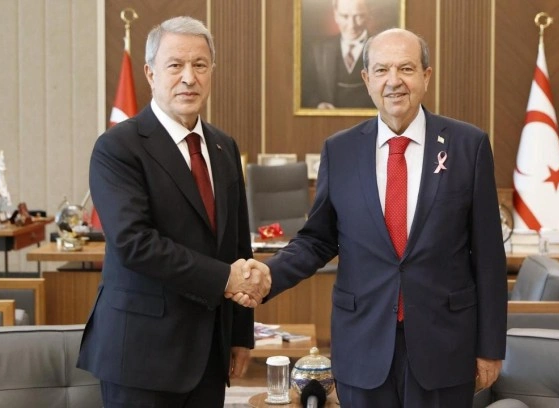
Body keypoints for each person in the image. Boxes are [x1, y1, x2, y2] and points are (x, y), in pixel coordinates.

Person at [244, 28, 507, 407]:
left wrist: (490, 347)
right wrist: (269, 274)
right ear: (367, 80)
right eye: (382, 70)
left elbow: (488, 255)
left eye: (406, 68)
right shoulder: (340, 150)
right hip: (362, 343)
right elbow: (317, 239)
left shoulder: (469, 145)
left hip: (444, 344)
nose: (394, 81)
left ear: (426, 76)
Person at [77, 16, 270, 408]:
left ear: (212, 71)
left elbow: (236, 244)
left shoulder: (224, 147)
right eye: (175, 65)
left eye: (200, 65)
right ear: (150, 73)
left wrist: (239, 335)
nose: (189, 78)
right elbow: (135, 244)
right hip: (141, 355)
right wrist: (225, 279)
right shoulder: (118, 147)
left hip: (209, 353)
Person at [302, 0, 376, 109]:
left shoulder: (384, 48)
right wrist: (318, 105)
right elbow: (306, 90)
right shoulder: (318, 50)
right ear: (336, 16)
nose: (352, 25)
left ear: (368, 15)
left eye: (358, 16)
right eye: (345, 16)